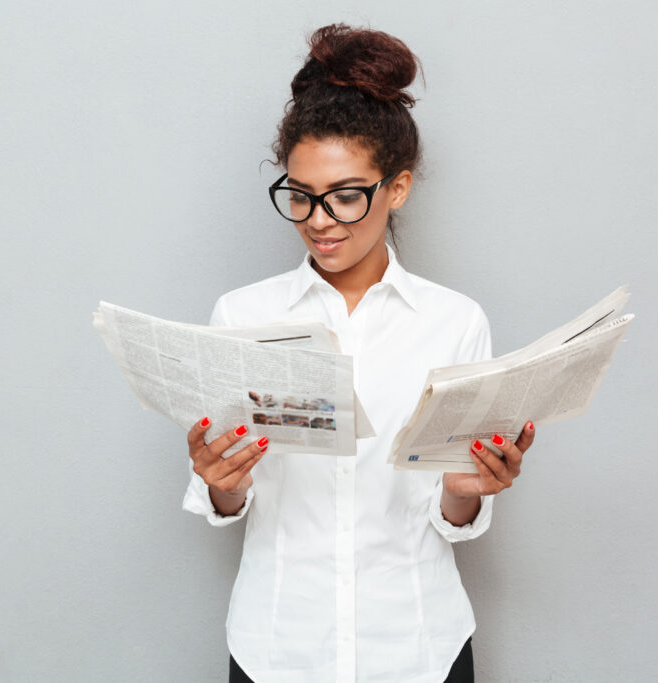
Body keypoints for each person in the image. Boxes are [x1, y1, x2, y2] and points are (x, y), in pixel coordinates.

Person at [182, 24, 535, 683]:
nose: (319, 219)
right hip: (279, 647)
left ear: (395, 189)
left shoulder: (454, 323)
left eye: (346, 195)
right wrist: (219, 483)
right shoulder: (241, 316)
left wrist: (466, 490)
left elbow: (451, 511)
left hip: (418, 647)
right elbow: (230, 502)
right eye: (300, 195)